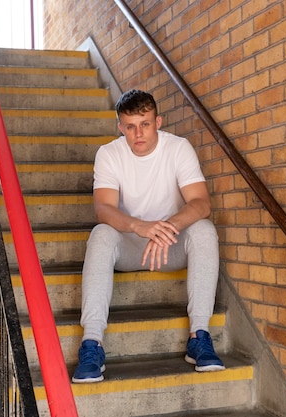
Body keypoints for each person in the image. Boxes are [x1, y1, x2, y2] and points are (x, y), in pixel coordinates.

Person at [72, 89, 225, 383]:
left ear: (158, 122)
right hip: (131, 246)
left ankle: (200, 337)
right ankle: (92, 344)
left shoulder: (178, 148)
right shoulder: (109, 153)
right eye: (130, 126)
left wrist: (168, 227)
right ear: (120, 127)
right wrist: (139, 226)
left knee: (204, 229)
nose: (137, 133)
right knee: (101, 233)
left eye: (144, 124)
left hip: (170, 245)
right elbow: (103, 208)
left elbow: (201, 203)